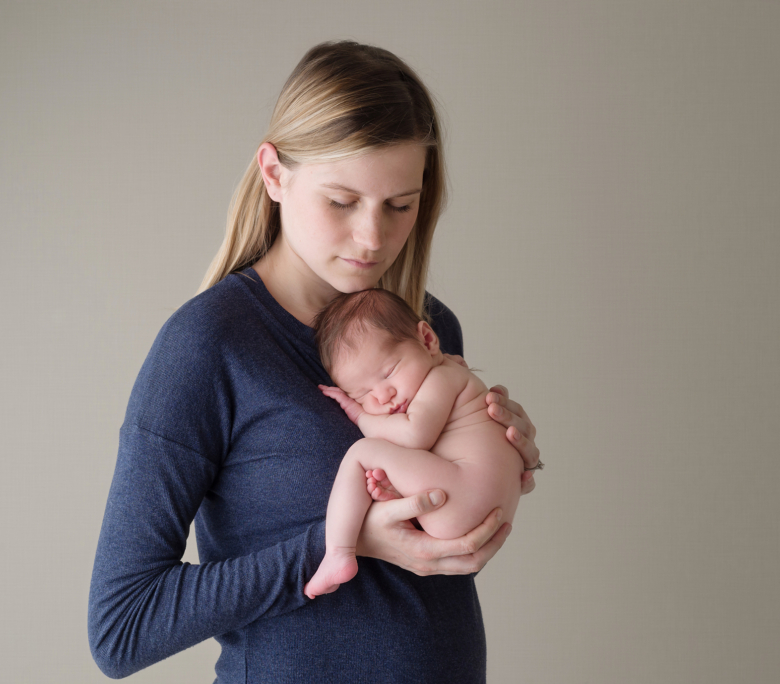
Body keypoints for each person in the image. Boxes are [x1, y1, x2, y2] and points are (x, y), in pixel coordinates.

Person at [88, 40, 541, 683]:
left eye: (400, 205)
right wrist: (337, 545)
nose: (372, 238)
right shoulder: (209, 345)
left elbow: (434, 532)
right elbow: (122, 628)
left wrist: (498, 449)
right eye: (341, 201)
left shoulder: (429, 327)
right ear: (275, 175)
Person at [305, 288, 524, 600]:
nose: (382, 397)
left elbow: (413, 435)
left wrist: (359, 414)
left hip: (466, 492)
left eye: (389, 372)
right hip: (478, 501)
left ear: (428, 340)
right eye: (361, 394)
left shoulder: (443, 377)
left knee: (361, 453)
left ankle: (338, 552)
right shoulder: (443, 376)